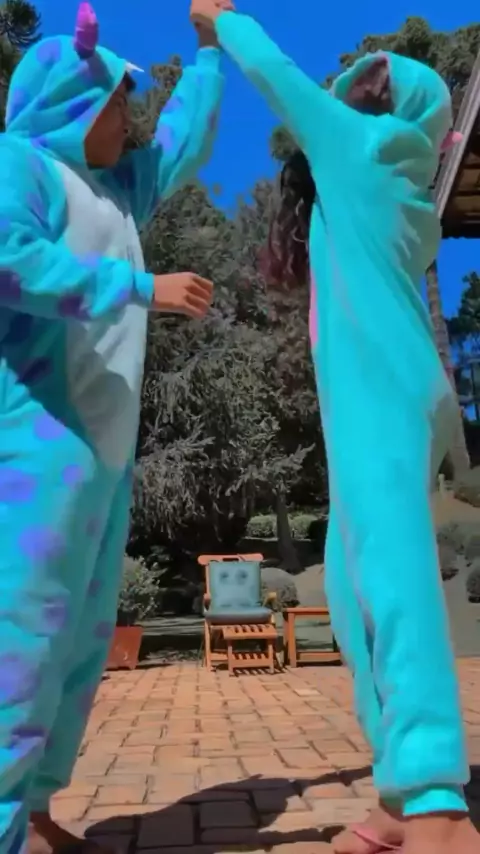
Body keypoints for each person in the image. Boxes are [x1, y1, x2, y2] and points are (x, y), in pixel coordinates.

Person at [188, 2, 479, 854]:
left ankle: (438, 805)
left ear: (390, 111)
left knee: (391, 585)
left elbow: (279, 77)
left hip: (381, 398)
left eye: (366, 90)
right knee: (354, 599)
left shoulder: (361, 153)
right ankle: (397, 795)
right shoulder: (388, 178)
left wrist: (221, 24)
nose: (351, 98)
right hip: (390, 397)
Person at [0, 1, 229, 852]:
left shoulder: (120, 191)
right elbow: (11, 262)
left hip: (103, 462)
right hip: (36, 453)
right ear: (73, 100)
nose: (129, 118)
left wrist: (207, 50)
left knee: (76, 647)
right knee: (21, 642)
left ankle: (33, 810)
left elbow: (181, 142)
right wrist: (140, 289)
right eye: (117, 101)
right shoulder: (19, 166)